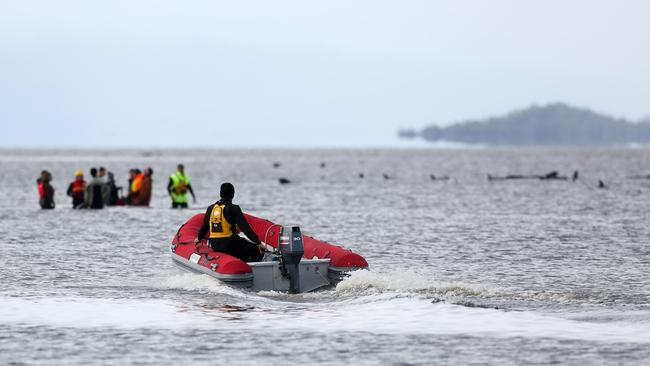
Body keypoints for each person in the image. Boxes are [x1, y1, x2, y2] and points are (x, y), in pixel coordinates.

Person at [195, 183, 264, 262]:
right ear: (233, 194)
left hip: (215, 245)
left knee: (242, 247)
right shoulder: (234, 208)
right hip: (229, 244)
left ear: (220, 194)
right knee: (257, 250)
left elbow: (205, 227)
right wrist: (258, 242)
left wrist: (199, 238)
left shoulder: (211, 208)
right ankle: (248, 271)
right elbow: (245, 228)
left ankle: (238, 264)